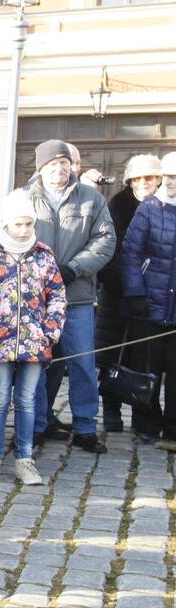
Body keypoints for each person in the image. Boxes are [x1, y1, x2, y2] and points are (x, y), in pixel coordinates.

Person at [0, 191, 66, 485]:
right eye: (17, 224)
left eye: (28, 223)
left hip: (34, 343)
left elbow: (58, 296)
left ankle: (25, 458)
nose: (24, 230)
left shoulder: (43, 255)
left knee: (27, 401)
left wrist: (49, 332)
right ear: (6, 225)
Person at [27, 140, 115, 454]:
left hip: (77, 297)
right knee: (36, 366)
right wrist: (40, 273)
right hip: (36, 299)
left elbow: (105, 241)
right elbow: (10, 236)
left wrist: (74, 269)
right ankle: (35, 427)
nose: (60, 168)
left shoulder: (91, 199)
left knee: (82, 364)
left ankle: (85, 428)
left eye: (64, 163)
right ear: (40, 167)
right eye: (53, 163)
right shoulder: (24, 199)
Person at [96, 154, 162, 436]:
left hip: (155, 296)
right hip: (118, 294)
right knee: (113, 353)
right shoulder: (118, 206)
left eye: (150, 177)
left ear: (159, 179)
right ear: (130, 181)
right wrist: (122, 285)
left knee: (145, 358)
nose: (145, 182)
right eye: (138, 178)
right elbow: (109, 248)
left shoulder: (165, 205)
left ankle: (143, 412)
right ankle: (111, 410)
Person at [121, 152, 176, 451]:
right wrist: (136, 293)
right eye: (167, 177)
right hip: (149, 301)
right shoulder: (149, 208)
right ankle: (146, 424)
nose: (170, 183)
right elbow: (131, 253)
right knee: (147, 368)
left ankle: (173, 427)